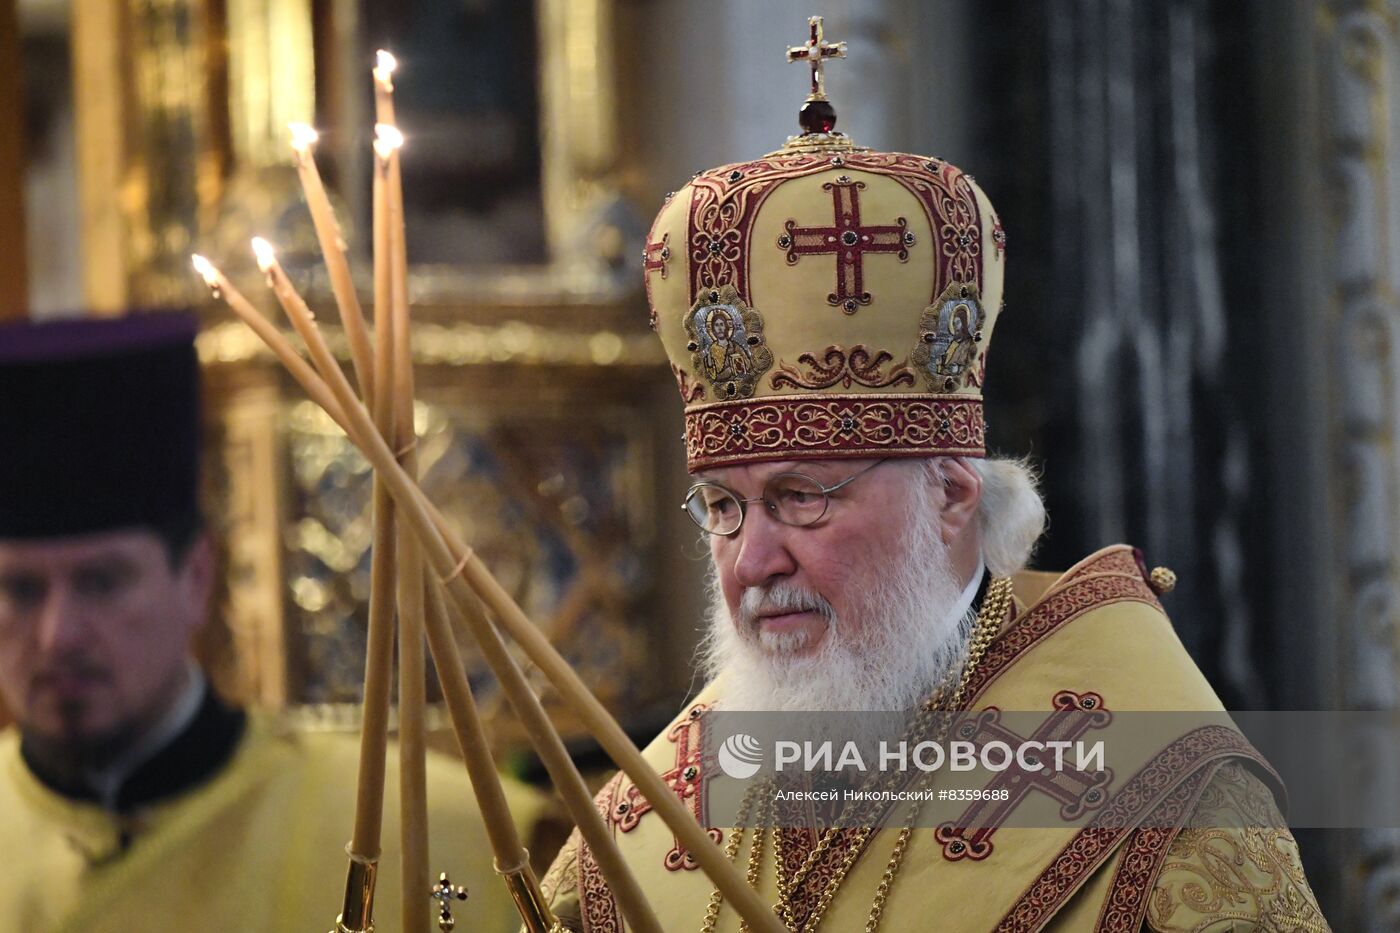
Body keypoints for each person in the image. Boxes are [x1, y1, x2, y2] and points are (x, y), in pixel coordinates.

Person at [538, 24, 1330, 933]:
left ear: (951, 494)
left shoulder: (1160, 788)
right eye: (723, 505)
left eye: (802, 496)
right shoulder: (647, 817)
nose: (752, 558)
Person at [0, 312, 544, 932]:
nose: (58, 635)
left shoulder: (442, 829)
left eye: (102, 582)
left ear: (197, 577)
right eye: (19, 589)